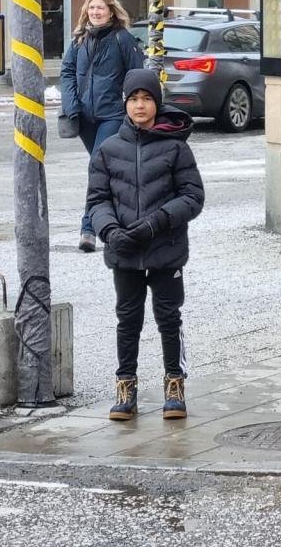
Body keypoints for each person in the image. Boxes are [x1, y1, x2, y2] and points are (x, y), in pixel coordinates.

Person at [87, 69, 205, 422]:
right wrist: (110, 232)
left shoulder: (175, 147)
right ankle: (126, 387)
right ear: (126, 102)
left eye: (147, 98)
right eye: (134, 99)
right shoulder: (108, 149)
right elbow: (96, 200)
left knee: (169, 319)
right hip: (124, 252)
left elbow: (193, 197)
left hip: (165, 250)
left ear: (157, 102)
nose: (140, 106)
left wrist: (156, 222)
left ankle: (175, 384)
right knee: (128, 320)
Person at [62, 0, 146, 252]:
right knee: (108, 173)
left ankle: (88, 229)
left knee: (98, 168)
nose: (95, 12)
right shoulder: (79, 40)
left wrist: (135, 110)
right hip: (85, 117)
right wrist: (71, 105)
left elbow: (137, 77)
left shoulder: (122, 39)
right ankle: (120, 220)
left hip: (112, 115)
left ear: (111, 11)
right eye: (91, 8)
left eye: (100, 8)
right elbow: (66, 72)